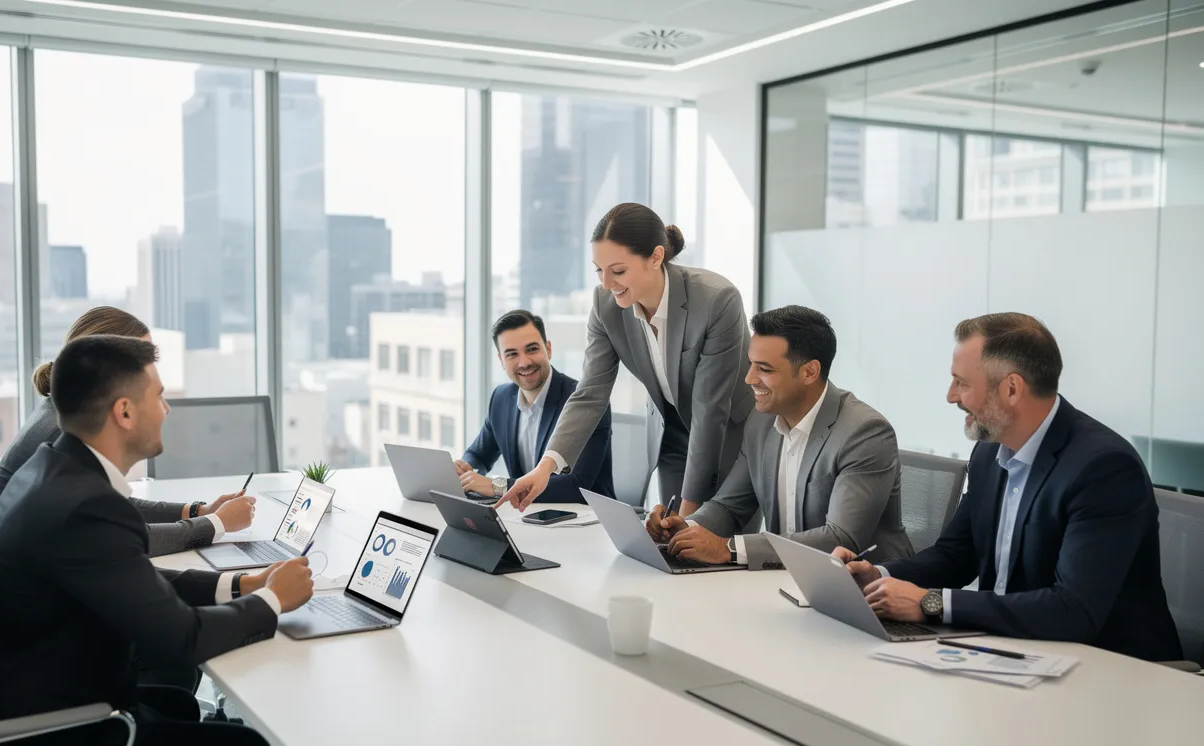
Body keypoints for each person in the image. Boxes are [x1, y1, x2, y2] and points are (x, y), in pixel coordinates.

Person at [0, 335, 316, 746]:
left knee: (179, 705)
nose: (167, 410)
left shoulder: (52, 468)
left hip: (14, 700)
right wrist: (273, 600)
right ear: (125, 412)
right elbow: (183, 638)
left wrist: (241, 583)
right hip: (24, 739)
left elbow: (134, 578)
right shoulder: (85, 505)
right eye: (160, 397)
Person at [836, 313, 1181, 662]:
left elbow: (1073, 611)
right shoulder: (989, 450)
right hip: (1009, 650)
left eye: (962, 383)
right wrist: (879, 576)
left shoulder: (1103, 468)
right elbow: (956, 556)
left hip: (1109, 668)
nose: (950, 396)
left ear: (1012, 389)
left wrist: (930, 603)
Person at [499, 203, 752, 515]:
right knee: (674, 549)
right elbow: (590, 393)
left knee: (715, 544)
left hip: (731, 436)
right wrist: (545, 468)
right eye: (599, 270)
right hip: (672, 433)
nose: (606, 283)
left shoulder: (716, 300)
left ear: (656, 257)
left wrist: (690, 513)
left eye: (618, 271)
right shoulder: (606, 306)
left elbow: (710, 408)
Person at [653, 306, 912, 567]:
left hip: (866, 590)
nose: (749, 378)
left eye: (764, 369)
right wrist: (685, 529)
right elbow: (729, 506)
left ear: (810, 372)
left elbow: (841, 538)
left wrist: (729, 548)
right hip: (784, 578)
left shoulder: (864, 432)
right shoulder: (760, 422)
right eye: (750, 365)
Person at [0, 307, 254, 558]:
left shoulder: (64, 412)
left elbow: (111, 506)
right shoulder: (62, 433)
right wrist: (216, 523)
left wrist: (197, 511)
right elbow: (120, 535)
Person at [456, 310, 614, 504]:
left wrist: (496, 486)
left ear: (548, 349)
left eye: (532, 349)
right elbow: (478, 454)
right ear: (501, 361)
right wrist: (466, 470)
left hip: (585, 521)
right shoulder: (501, 398)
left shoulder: (585, 402)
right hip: (528, 517)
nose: (524, 362)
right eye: (512, 354)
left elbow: (575, 486)